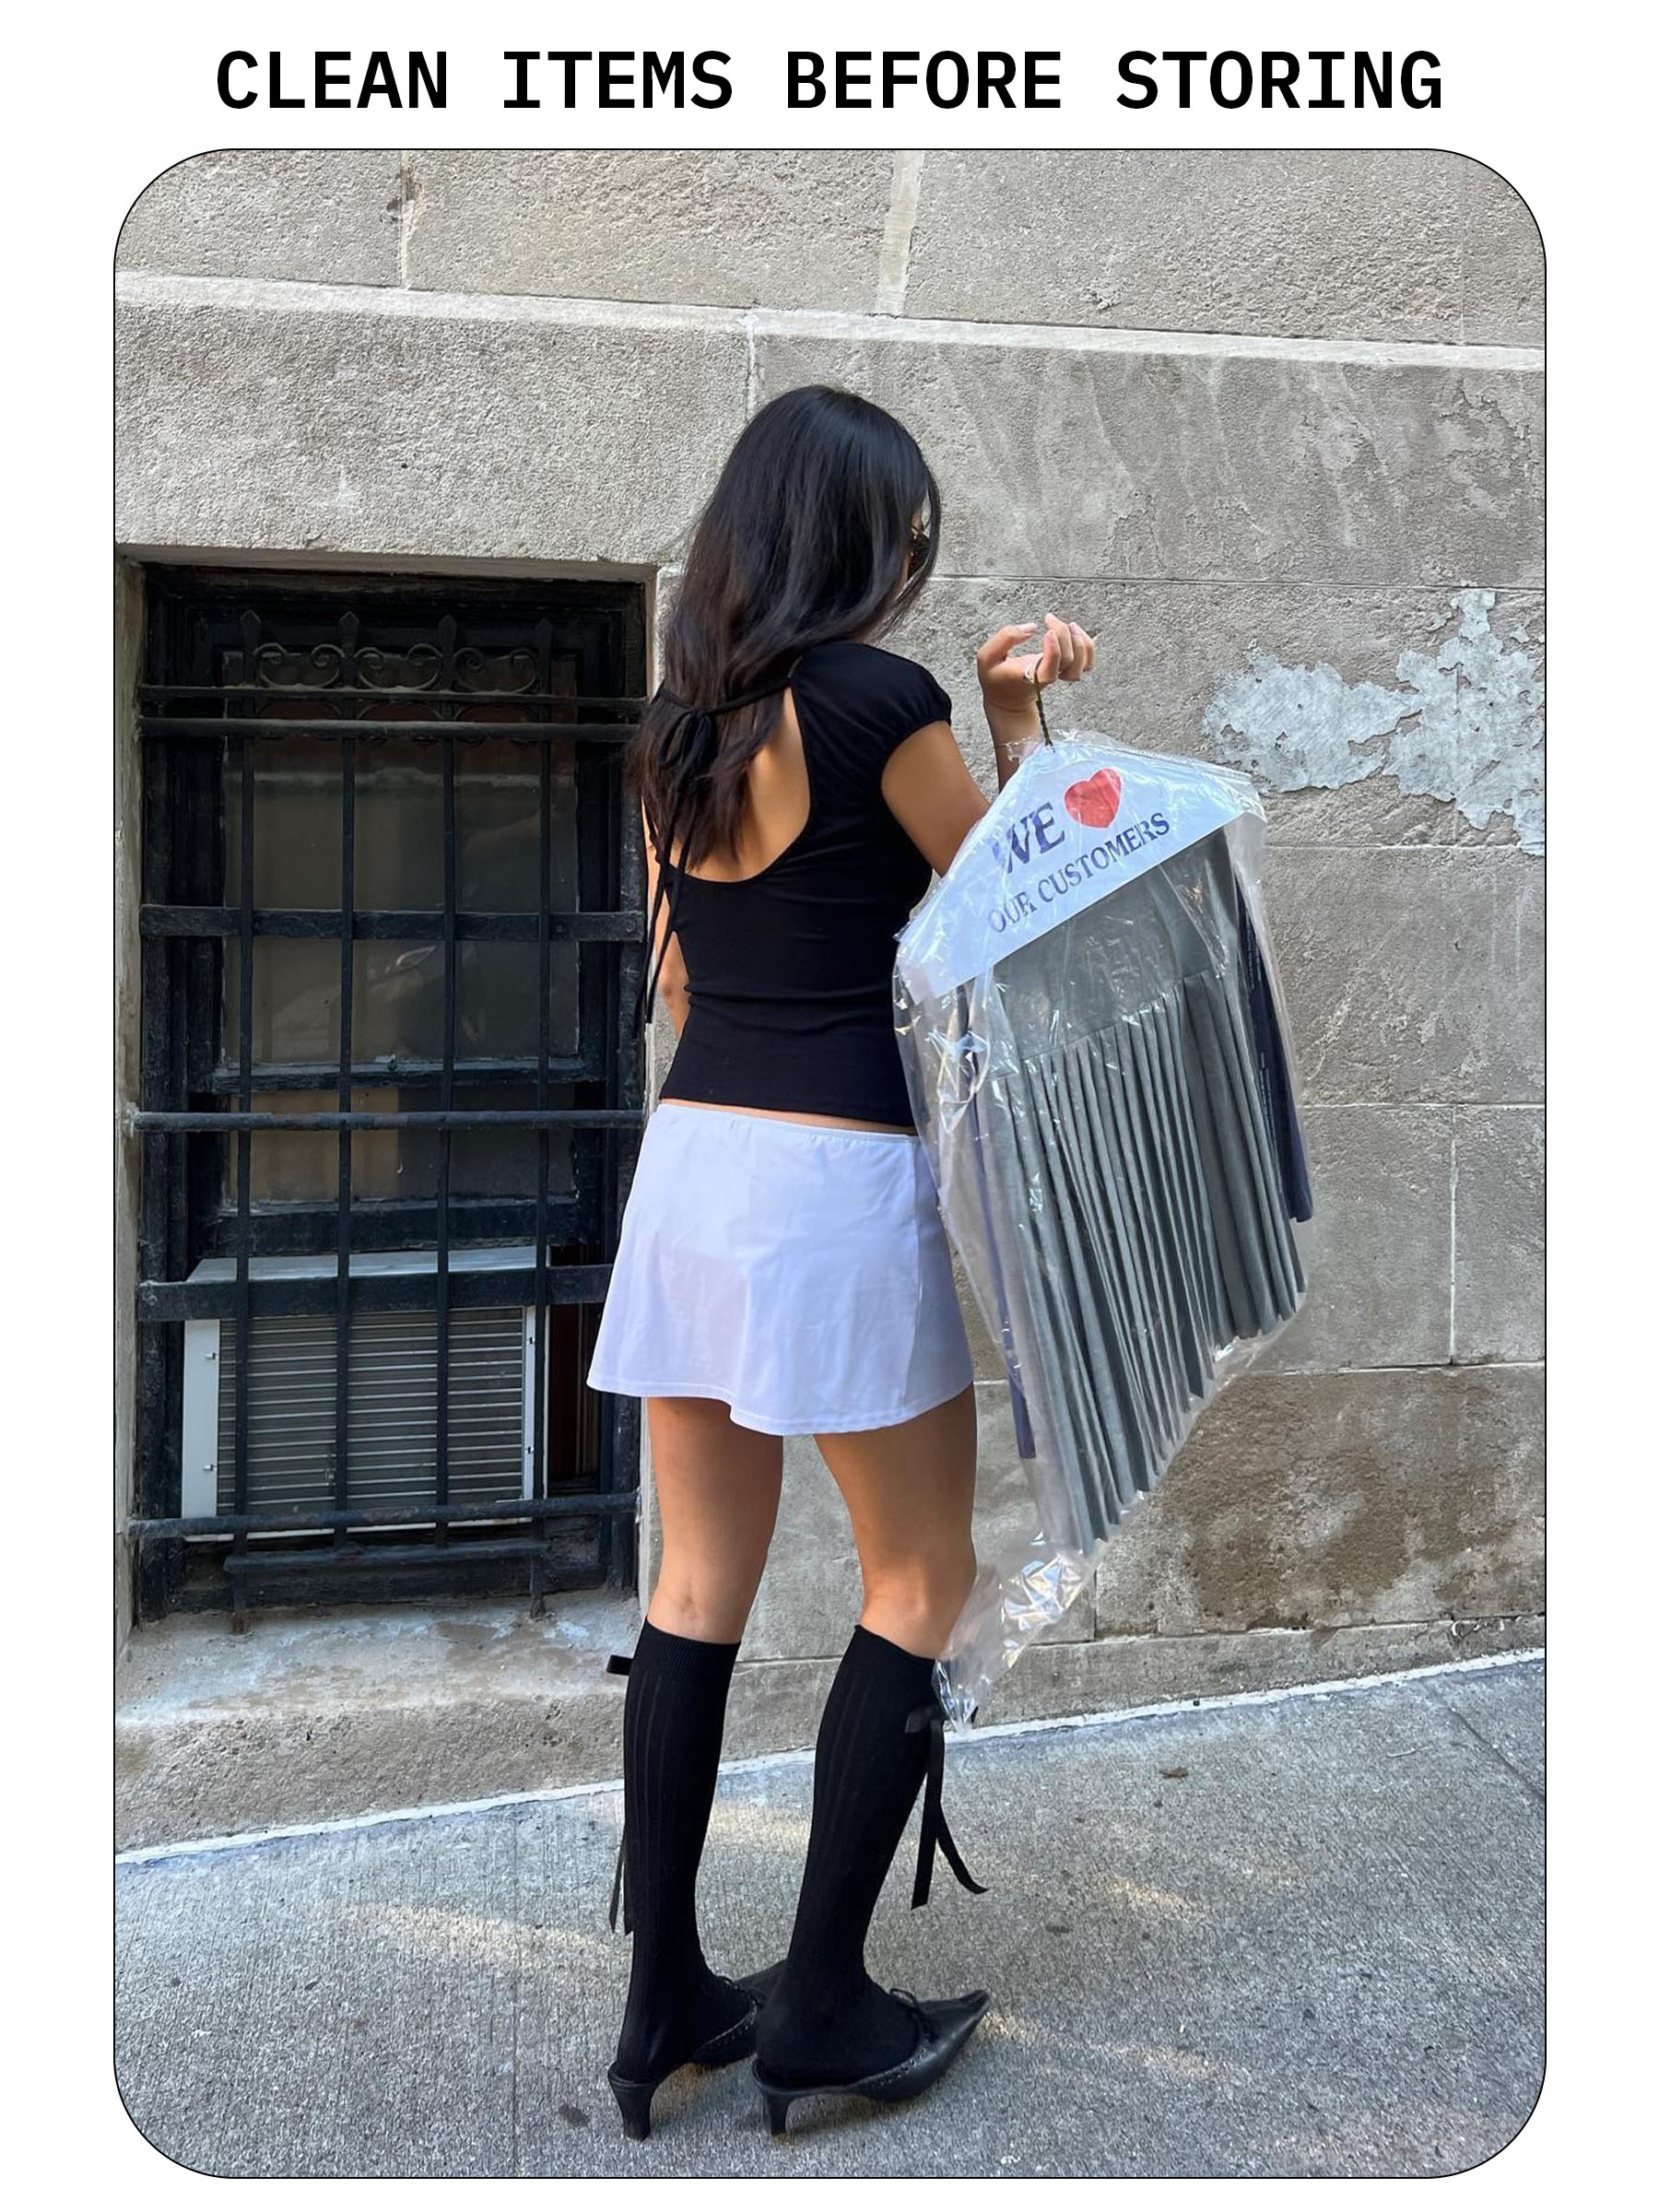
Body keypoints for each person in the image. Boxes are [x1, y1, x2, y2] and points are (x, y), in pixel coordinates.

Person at [584, 382, 1096, 2139]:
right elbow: (1011, 913)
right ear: (861, 539)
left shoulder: (673, 732)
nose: (914, 566)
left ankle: (662, 2001)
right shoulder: (883, 699)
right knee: (921, 1576)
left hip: (695, 1169)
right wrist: (1018, 720)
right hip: (837, 1179)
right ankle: (814, 2005)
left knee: (695, 1587)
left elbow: (671, 986)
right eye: (912, 535)